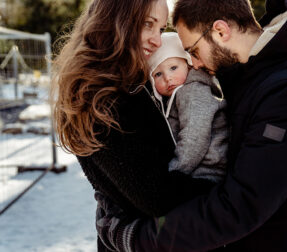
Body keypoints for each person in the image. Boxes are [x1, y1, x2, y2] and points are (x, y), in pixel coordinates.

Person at [95, 0, 287, 251]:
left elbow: (239, 206)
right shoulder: (251, 78)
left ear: (220, 30)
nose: (193, 64)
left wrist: (138, 239)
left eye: (193, 51)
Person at [52, 0, 218, 251]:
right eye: (147, 24)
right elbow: (158, 196)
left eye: (161, 29)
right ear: (115, 20)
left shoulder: (130, 80)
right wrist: (231, 190)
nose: (157, 40)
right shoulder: (102, 97)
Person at [148, 32, 228, 182]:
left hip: (208, 171)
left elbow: (195, 137)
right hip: (195, 168)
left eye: (173, 68)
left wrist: (173, 172)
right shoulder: (176, 95)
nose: (168, 78)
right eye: (158, 74)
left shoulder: (192, 91)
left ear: (188, 65)